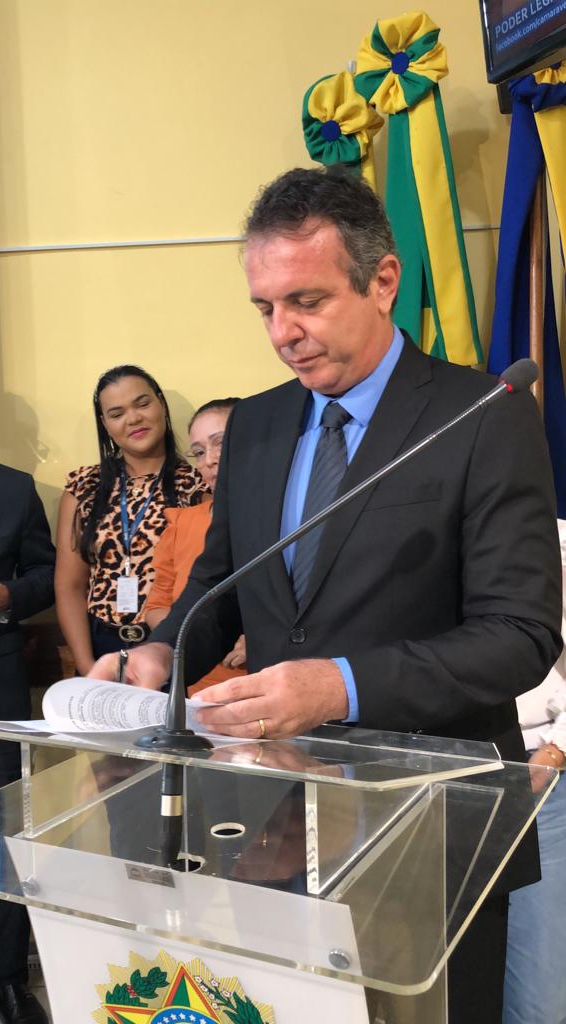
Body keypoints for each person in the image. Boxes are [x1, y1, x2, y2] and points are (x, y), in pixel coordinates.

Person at [90, 167, 563, 1022]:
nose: (284, 333)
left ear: (383, 281)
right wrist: (163, 650)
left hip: (432, 824)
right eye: (265, 309)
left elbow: (520, 635)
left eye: (306, 301)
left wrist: (336, 685)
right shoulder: (261, 422)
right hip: (274, 821)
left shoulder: (482, 416)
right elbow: (222, 584)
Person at [55, 365, 205, 675]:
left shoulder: (197, 485)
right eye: (117, 413)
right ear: (105, 424)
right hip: (100, 644)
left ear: (161, 404)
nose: (133, 419)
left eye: (142, 403)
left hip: (170, 645)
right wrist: (87, 666)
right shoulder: (84, 487)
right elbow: (70, 586)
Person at [0, 460, 55, 1024]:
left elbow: (46, 573)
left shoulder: (13, 488)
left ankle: (3, 976)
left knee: (3, 827)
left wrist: (4, 595)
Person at [502, 519, 566, 1024]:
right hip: (438, 769)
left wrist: (553, 752)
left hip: (535, 773)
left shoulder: (554, 542)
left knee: (535, 997)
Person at [144, 397, 246, 688]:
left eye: (220, 443)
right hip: (196, 683)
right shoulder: (182, 523)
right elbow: (157, 603)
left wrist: (262, 637)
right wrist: (187, 638)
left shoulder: (288, 518)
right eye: (199, 452)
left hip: (264, 678)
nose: (209, 460)